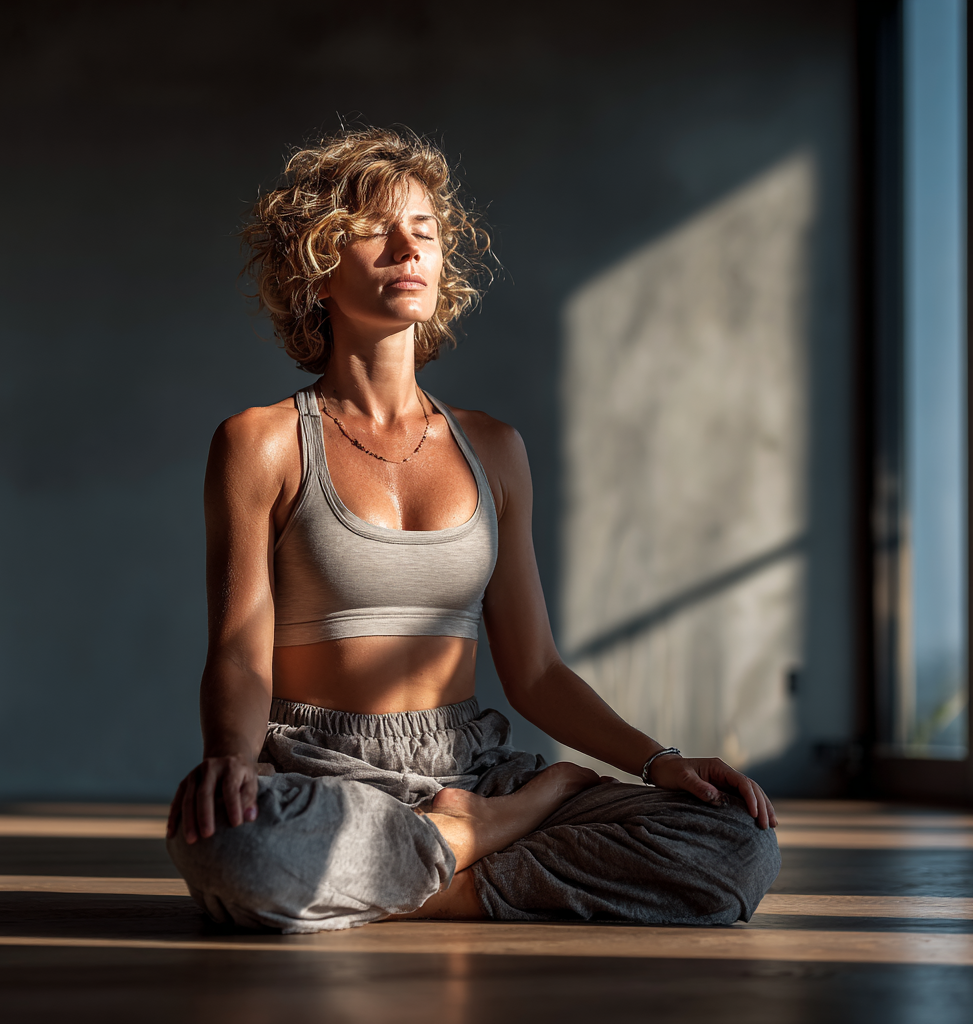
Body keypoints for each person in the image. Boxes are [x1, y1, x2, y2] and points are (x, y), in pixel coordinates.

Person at [166, 127, 781, 933]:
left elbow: (535, 672)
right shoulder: (262, 442)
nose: (406, 248)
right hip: (322, 769)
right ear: (317, 262)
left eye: (424, 231)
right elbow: (241, 652)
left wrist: (657, 761)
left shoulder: (493, 449)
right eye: (374, 229)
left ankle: (409, 868)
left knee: (736, 846)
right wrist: (231, 765)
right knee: (235, 846)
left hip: (472, 765)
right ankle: (484, 841)